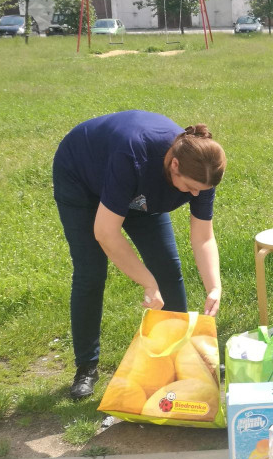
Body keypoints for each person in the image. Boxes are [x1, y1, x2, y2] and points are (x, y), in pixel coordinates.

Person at [52, 111, 226, 399]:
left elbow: (203, 236)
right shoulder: (134, 156)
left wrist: (214, 286)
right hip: (82, 177)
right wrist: (147, 282)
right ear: (174, 165)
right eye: (191, 188)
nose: (196, 195)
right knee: (91, 272)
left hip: (139, 189)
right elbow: (106, 233)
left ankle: (177, 355)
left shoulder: (202, 172)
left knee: (167, 268)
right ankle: (86, 367)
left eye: (202, 191)